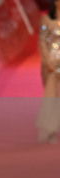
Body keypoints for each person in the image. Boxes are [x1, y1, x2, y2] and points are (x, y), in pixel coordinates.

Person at [37, 0, 60, 144]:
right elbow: (42, 41)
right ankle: (51, 131)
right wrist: (47, 62)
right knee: (51, 98)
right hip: (51, 65)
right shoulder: (46, 20)